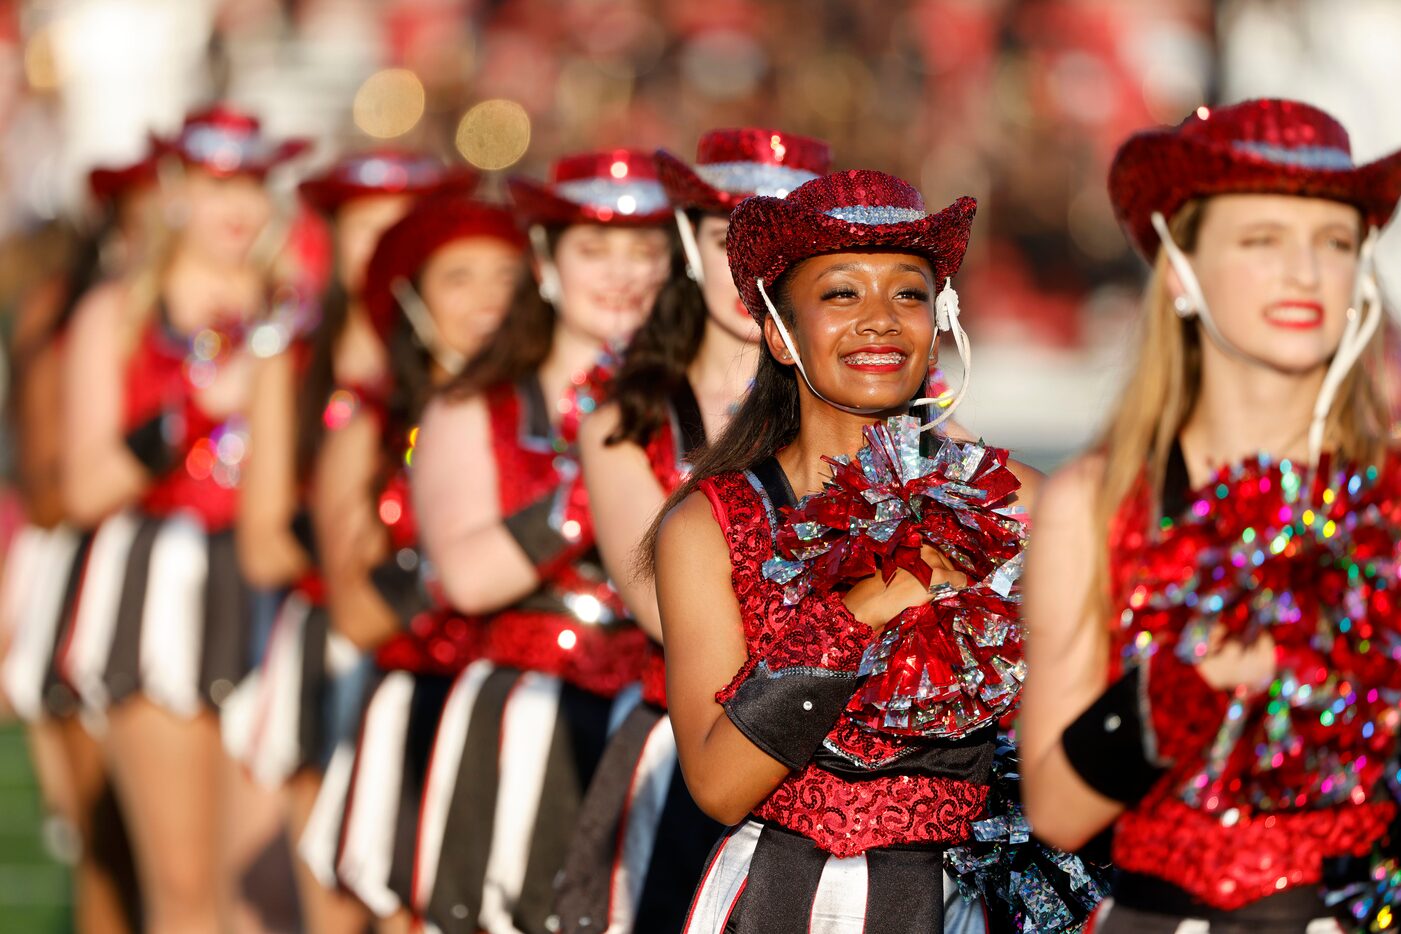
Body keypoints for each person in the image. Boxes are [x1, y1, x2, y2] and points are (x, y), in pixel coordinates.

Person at [1019, 98, 1401, 933]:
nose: (1305, 273)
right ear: (1181, 272)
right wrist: (1187, 684)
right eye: (1260, 240)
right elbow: (1053, 809)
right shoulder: (1094, 500)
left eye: (1333, 243)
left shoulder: (1393, 495)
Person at [652, 168, 1039, 932]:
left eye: (907, 293)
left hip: (966, 906)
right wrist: (861, 610)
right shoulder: (709, 522)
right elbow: (719, 784)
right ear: (777, 333)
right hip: (777, 904)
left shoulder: (1018, 500)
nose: (880, 319)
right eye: (840, 293)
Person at [555, 126, 831, 934]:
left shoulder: (898, 412)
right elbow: (661, 610)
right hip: (687, 760)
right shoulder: (624, 420)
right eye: (726, 238)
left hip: (862, 779)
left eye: (780, 239)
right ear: (684, 242)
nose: (751, 264)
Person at [408, 150, 671, 934]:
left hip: (666, 727)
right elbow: (468, 578)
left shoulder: (708, 401)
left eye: (645, 251)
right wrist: (608, 469)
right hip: (521, 725)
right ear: (546, 261)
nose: (621, 273)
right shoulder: (470, 407)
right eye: (594, 249)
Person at [57, 104, 306, 934]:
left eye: (251, 184)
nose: (235, 205)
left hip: (276, 592)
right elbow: (84, 486)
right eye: (213, 183)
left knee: (269, 897)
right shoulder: (118, 310)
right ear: (175, 191)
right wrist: (197, 404)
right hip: (158, 593)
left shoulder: (297, 308)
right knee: (186, 892)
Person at [224, 148, 470, 932]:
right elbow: (262, 547)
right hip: (329, 652)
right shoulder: (294, 358)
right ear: (331, 242)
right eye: (367, 230)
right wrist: (369, 559)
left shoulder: (470, 365)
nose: (386, 247)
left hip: (444, 655)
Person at [295, 193, 527, 925]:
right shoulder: (367, 429)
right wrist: (466, 556)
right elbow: (358, 615)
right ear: (411, 299)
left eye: (506, 277)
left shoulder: (567, 420)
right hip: (422, 715)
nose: (489, 300)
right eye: (459, 278)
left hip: (540, 717)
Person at [0, 151, 157, 934]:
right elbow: (50, 486)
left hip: (190, 586)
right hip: (88, 574)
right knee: (101, 841)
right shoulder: (68, 308)